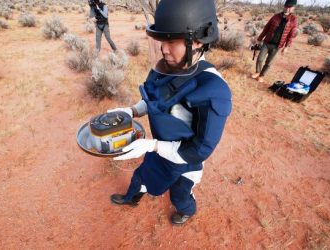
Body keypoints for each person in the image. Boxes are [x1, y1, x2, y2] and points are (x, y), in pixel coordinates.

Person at [108, 0, 232, 225]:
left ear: (196, 41)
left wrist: (152, 145)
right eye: (161, 41)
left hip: (184, 162)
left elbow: (198, 151)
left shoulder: (214, 89)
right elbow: (154, 99)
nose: (164, 49)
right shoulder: (167, 66)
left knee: (179, 194)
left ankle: (187, 210)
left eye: (172, 41)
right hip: (159, 148)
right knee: (141, 175)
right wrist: (132, 111)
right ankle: (132, 198)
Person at [252, 0, 298, 83]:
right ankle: (257, 72)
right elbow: (266, 28)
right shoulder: (276, 16)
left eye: (290, 7)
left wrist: (286, 47)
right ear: (284, 6)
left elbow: (291, 35)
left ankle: (261, 76)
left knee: (269, 62)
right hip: (267, 42)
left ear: (293, 8)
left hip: (277, 46)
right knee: (259, 58)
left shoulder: (293, 19)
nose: (287, 9)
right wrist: (259, 39)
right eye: (286, 6)